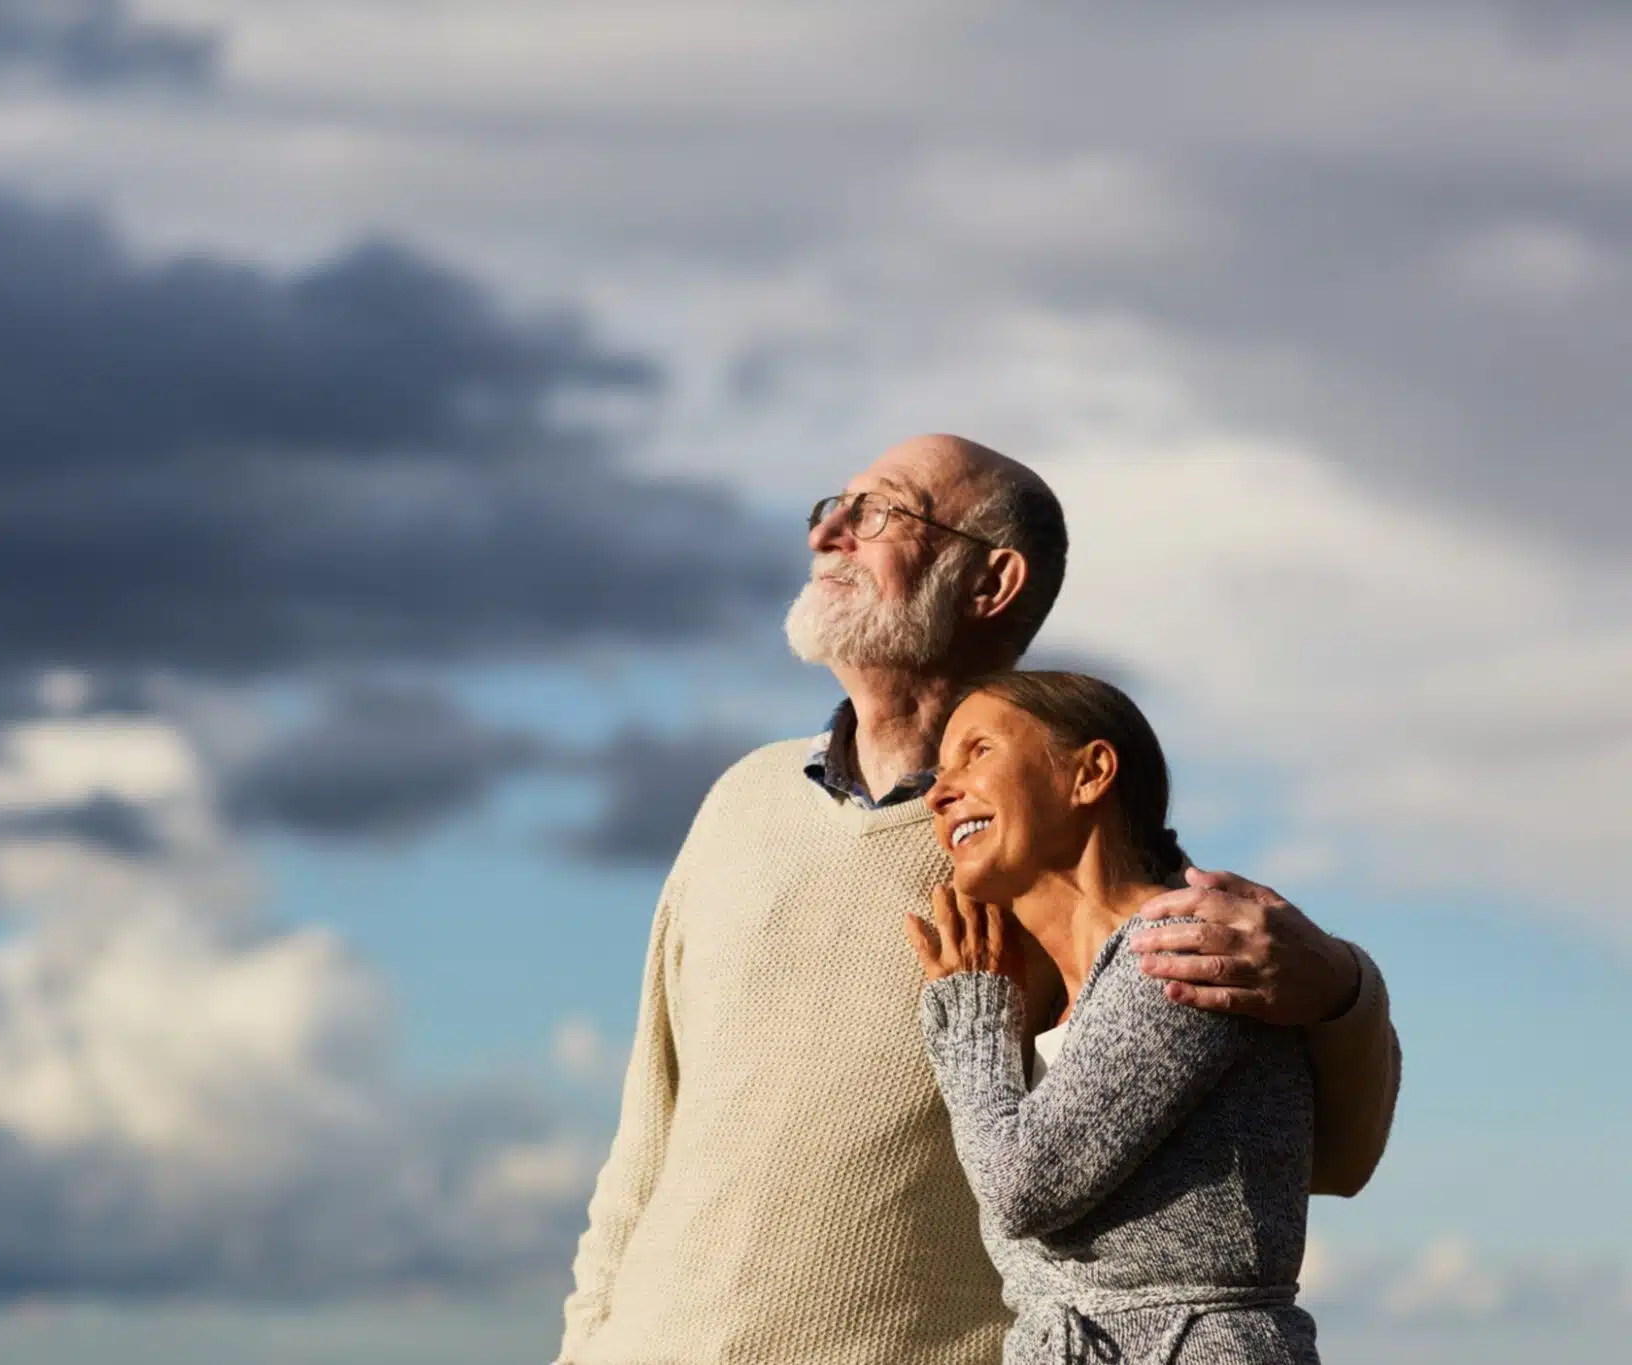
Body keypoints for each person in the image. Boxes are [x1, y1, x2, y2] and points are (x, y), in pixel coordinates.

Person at [557, 435, 1400, 1365]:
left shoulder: (1045, 857)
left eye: (880, 512)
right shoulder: (740, 802)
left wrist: (1341, 989)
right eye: (829, 507)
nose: (829, 532)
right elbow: (647, 1135)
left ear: (991, 582)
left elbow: (1321, 1158)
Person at [907, 671, 1322, 1364]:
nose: (938, 791)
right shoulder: (1058, 998)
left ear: (1092, 773)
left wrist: (973, 1010)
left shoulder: (1181, 947)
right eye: (939, 768)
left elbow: (1022, 1186)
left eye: (977, 752)